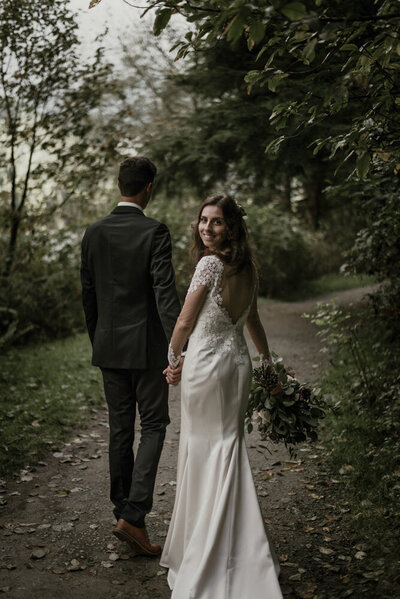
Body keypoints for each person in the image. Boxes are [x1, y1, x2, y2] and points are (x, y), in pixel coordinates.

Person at [161, 194, 283, 598]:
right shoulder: (248, 267)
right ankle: (238, 548)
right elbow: (254, 321)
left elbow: (184, 319)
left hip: (207, 366)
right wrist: (266, 364)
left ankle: (208, 551)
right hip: (237, 366)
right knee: (227, 448)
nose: (206, 228)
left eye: (215, 222)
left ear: (231, 226)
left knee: (204, 449)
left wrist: (173, 358)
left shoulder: (209, 264)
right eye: (203, 220)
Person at [80, 156, 182, 557]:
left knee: (120, 429)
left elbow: (89, 295)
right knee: (154, 424)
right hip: (148, 349)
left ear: (119, 185)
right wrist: (178, 345)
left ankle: (123, 510)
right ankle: (134, 516)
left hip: (108, 346)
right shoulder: (155, 231)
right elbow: (163, 292)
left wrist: (99, 339)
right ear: (148, 188)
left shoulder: (93, 232)